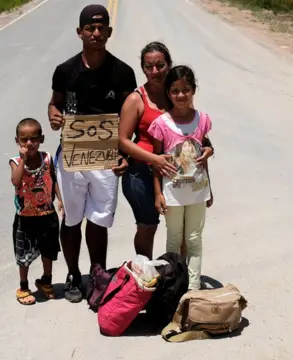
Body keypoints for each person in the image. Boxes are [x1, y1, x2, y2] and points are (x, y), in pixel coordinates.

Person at [47, 4, 137, 303]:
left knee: (99, 218)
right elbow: (55, 103)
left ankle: (97, 274)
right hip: (73, 156)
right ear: (80, 32)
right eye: (90, 28)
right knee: (72, 218)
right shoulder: (65, 70)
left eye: (101, 29)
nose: (96, 33)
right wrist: (54, 116)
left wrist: (126, 152)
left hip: (106, 158)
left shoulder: (123, 72)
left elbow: (131, 116)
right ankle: (73, 274)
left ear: (109, 32)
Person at [119, 42, 213, 259]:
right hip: (141, 172)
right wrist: (155, 159)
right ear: (142, 69)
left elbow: (197, 133)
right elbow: (123, 141)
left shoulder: (177, 94)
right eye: (149, 66)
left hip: (179, 174)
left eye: (160, 65)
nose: (155, 71)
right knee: (148, 225)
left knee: (180, 229)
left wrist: (209, 148)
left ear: (169, 65)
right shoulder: (136, 99)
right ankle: (145, 276)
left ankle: (179, 275)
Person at [148, 65, 214, 291]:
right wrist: (157, 193)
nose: (181, 95)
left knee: (194, 239)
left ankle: (193, 289)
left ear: (193, 90)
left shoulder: (202, 120)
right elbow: (157, 162)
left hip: (198, 192)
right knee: (174, 240)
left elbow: (203, 156)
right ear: (168, 93)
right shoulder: (162, 124)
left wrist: (210, 189)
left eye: (186, 90)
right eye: (175, 90)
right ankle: (173, 287)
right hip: (172, 194)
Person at [9, 118, 63, 305]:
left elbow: (53, 180)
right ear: (17, 141)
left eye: (34, 139)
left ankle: (46, 280)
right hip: (25, 217)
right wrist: (23, 161)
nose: (29, 143)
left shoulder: (47, 158)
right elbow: (16, 181)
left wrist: (61, 200)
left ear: (41, 139)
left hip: (47, 215)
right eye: (24, 140)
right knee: (23, 253)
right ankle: (23, 286)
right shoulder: (15, 162)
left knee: (48, 250)